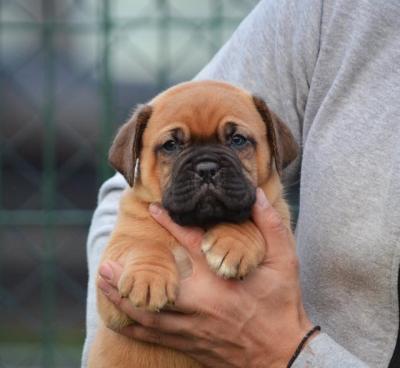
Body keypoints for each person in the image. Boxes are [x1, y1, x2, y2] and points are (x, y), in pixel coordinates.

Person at [81, 0, 400, 366]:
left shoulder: (265, 214)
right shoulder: (326, 12)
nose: (206, 168)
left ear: (274, 148)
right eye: (172, 145)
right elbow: (115, 304)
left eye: (236, 141)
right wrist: (147, 262)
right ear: (134, 157)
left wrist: (246, 236)